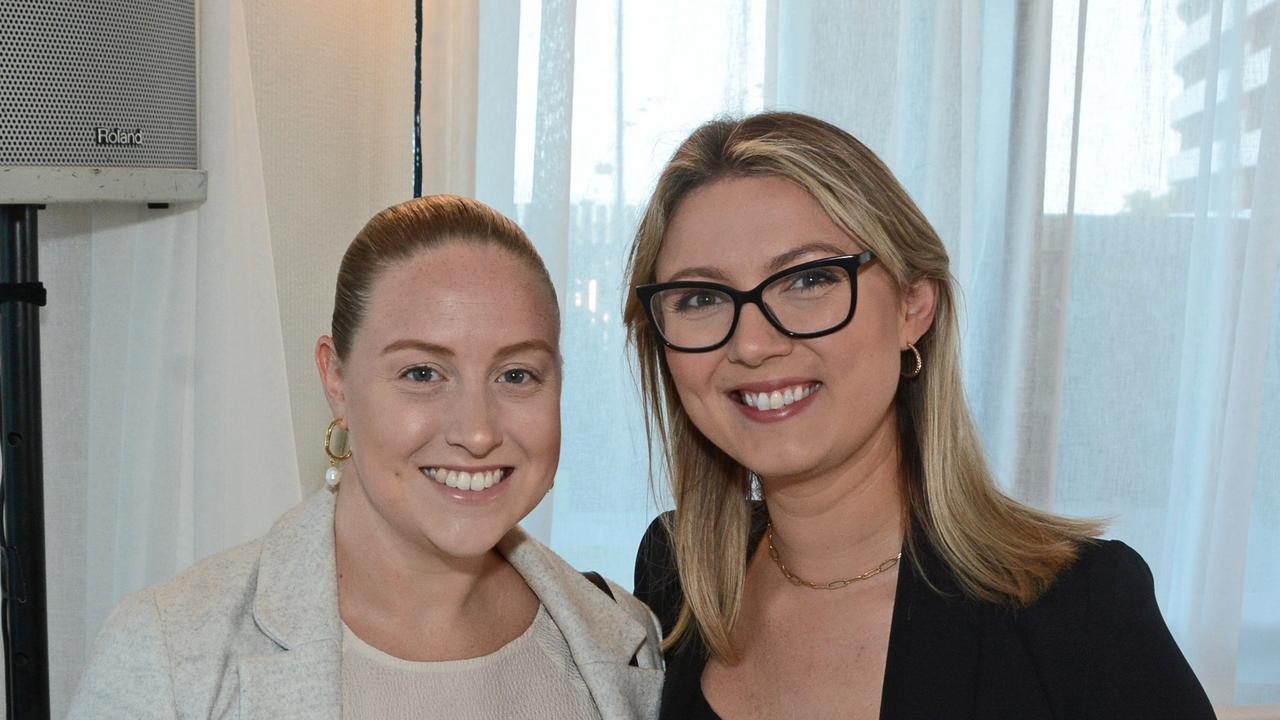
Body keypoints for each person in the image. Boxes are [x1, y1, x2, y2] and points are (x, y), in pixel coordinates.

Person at [625, 112, 1215, 720]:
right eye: (699, 297)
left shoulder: (1077, 611)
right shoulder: (676, 576)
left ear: (914, 305)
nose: (751, 344)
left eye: (808, 279)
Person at [69, 195, 663, 719]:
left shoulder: (627, 642)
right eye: (422, 373)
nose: (478, 433)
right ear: (337, 380)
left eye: (516, 374)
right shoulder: (170, 653)